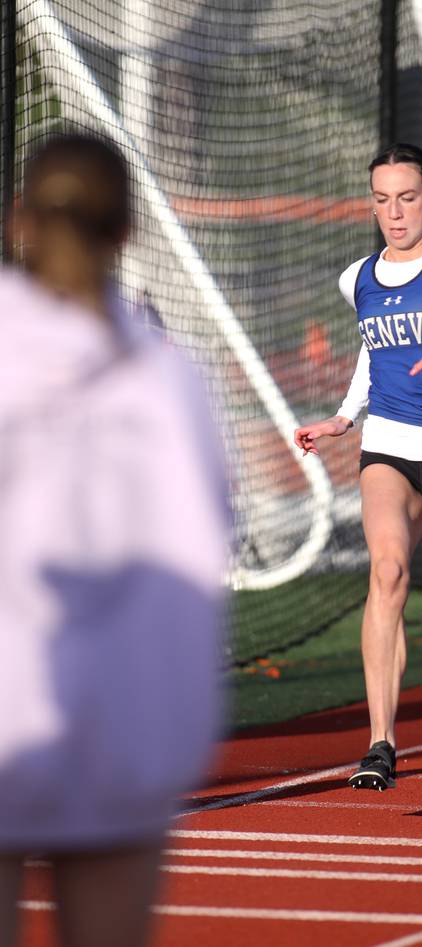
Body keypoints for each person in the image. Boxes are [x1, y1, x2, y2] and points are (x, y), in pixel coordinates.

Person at [0, 134, 230, 947]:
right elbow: (203, 552)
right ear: (126, 232)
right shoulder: (170, 381)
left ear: (18, 217)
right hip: (123, 738)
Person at [294, 143, 422, 791]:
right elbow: (370, 350)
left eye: (408, 197)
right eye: (382, 199)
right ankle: (381, 744)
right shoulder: (356, 276)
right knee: (386, 571)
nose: (395, 211)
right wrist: (344, 417)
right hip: (388, 445)